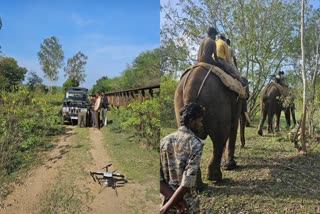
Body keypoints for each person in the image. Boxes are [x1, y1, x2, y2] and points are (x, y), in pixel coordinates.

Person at [160, 102, 205, 214]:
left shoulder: (164, 140)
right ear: (191, 121)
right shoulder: (195, 143)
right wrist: (178, 203)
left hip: (165, 199)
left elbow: (159, 179)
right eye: (200, 121)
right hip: (186, 204)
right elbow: (187, 182)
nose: (201, 125)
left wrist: (168, 205)